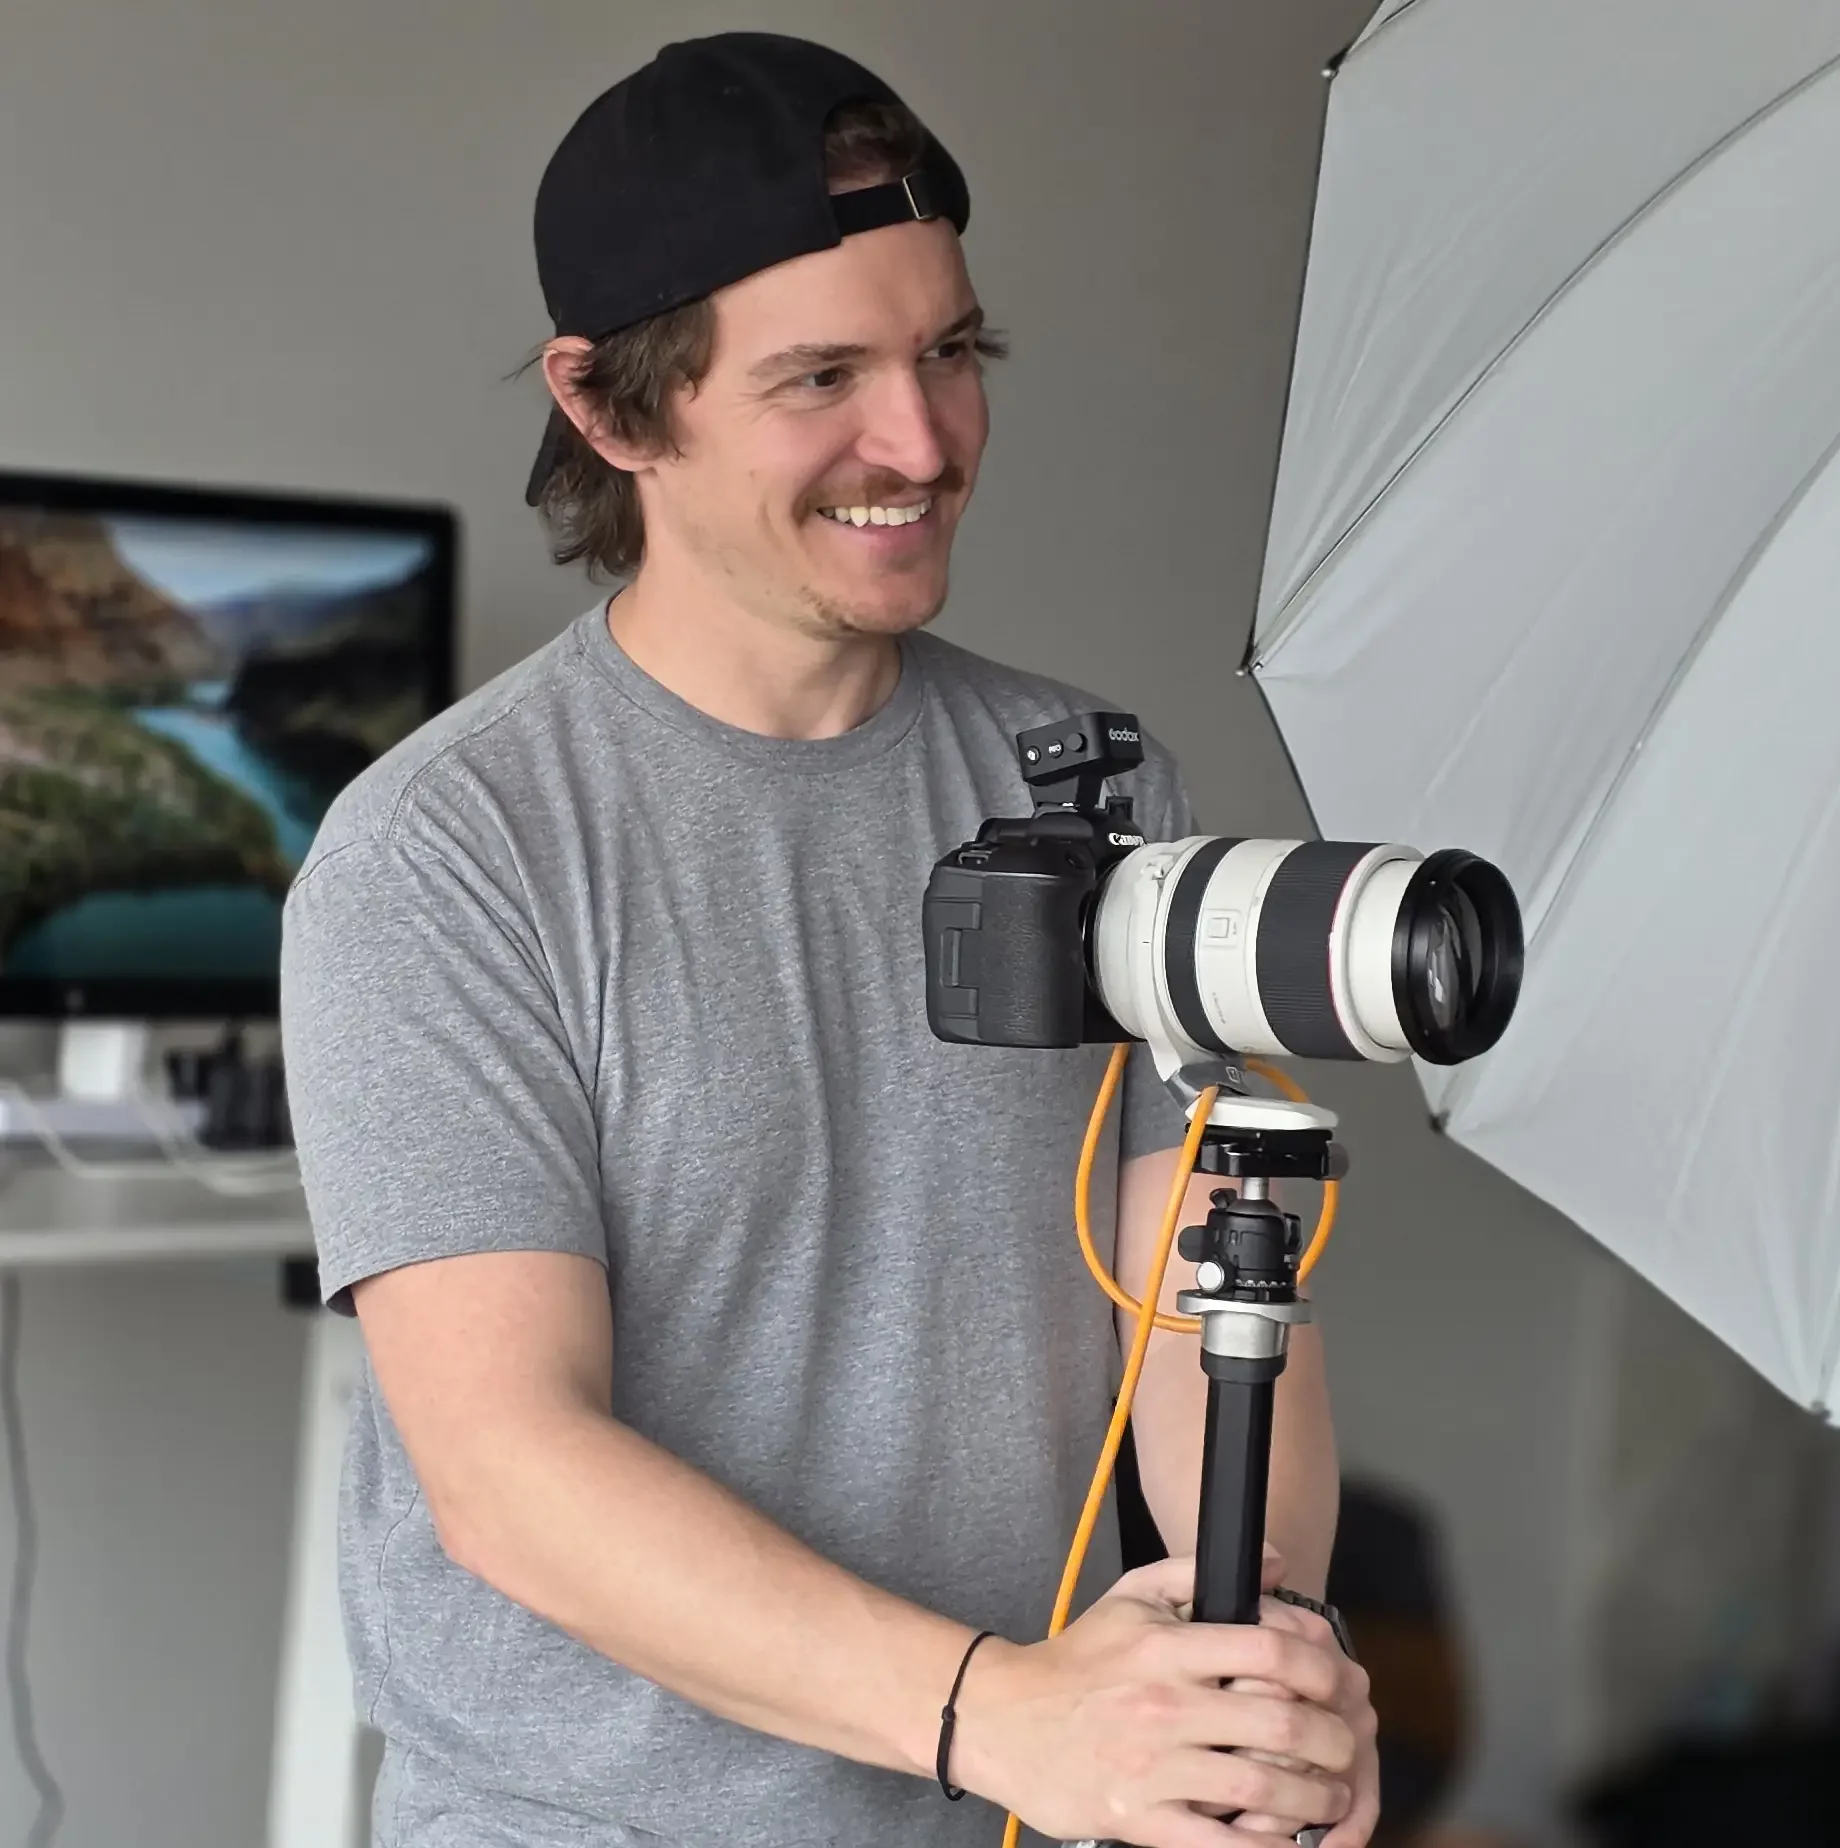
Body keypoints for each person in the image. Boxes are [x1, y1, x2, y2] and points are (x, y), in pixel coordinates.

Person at [278, 32, 1379, 1848]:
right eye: (823, 378)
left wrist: (1260, 1667)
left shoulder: (1084, 779)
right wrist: (993, 1711)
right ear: (614, 407)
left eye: (951, 351)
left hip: (998, 1803)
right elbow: (508, 1471)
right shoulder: (451, 852)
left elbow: (1206, 1272)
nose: (923, 440)